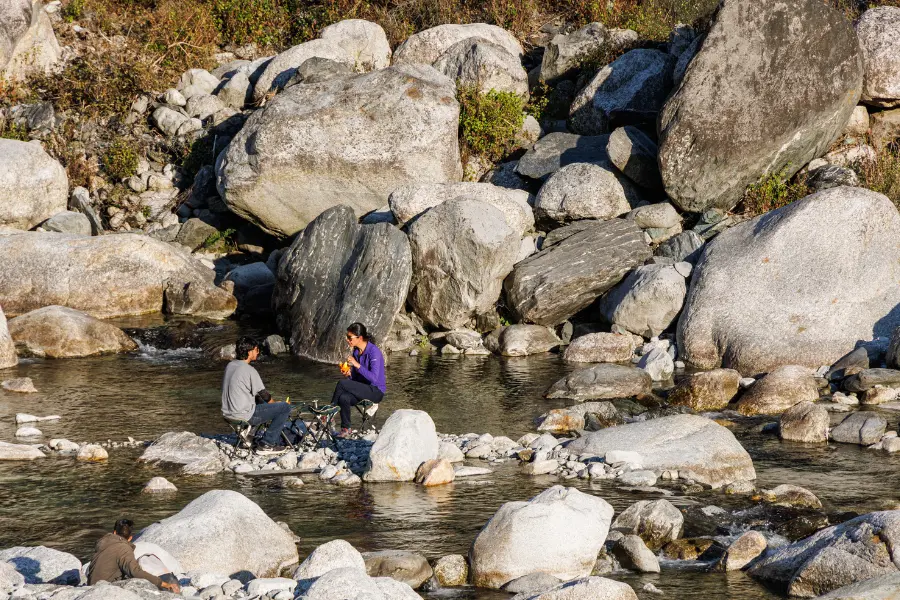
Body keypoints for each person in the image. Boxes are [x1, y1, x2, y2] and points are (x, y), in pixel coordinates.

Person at [222, 336, 291, 452]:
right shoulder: (250, 370)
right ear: (250, 352)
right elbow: (265, 395)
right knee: (285, 408)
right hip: (242, 415)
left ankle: (248, 434)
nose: (258, 352)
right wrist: (276, 405)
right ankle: (267, 444)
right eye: (256, 349)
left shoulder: (230, 365)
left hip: (228, 414)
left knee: (258, 400)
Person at [87, 519, 181, 593]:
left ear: (114, 532)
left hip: (91, 587)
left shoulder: (102, 543)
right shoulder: (124, 549)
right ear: (131, 538)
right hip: (106, 589)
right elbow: (135, 572)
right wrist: (163, 584)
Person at [332, 323, 385, 437]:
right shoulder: (356, 352)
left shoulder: (373, 351)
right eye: (347, 337)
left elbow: (374, 378)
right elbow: (356, 379)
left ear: (359, 338)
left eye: (350, 337)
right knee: (343, 397)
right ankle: (345, 429)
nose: (347, 340)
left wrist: (357, 365)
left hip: (376, 391)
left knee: (341, 383)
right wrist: (349, 374)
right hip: (363, 388)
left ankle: (329, 414)